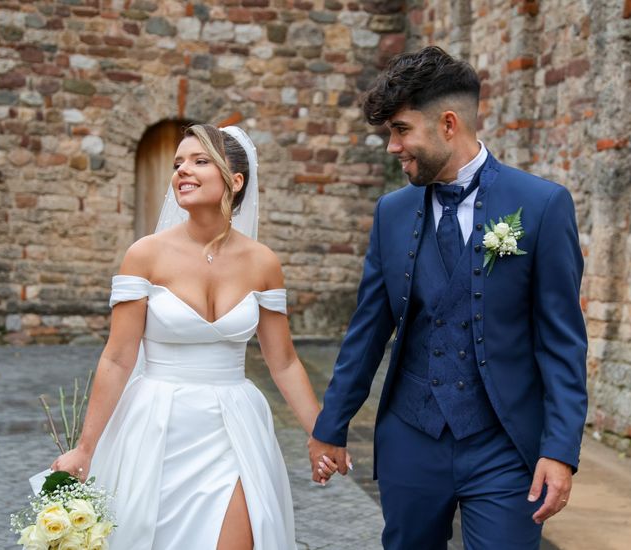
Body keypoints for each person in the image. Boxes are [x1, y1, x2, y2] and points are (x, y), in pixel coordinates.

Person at [309, 46, 588, 549]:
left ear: (449, 124)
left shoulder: (543, 206)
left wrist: (561, 449)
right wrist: (330, 425)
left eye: (401, 130)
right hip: (411, 439)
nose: (393, 147)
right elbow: (368, 330)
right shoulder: (391, 213)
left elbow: (562, 343)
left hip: (505, 446)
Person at [51, 124, 340, 550]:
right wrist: (85, 448)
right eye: (178, 163)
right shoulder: (144, 255)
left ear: (236, 181)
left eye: (199, 161)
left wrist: (320, 434)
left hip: (233, 427)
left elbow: (284, 362)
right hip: (157, 426)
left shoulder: (263, 263)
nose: (182, 171)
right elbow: (117, 358)